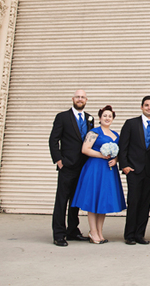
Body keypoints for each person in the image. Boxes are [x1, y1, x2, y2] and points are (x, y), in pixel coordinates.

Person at [72, 105, 127, 244]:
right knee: (93, 200)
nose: (107, 118)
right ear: (100, 117)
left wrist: (115, 159)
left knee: (103, 201)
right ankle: (93, 232)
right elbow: (85, 149)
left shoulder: (116, 135)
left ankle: (100, 232)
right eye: (105, 116)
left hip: (109, 171)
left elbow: (119, 153)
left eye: (110, 116)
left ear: (113, 118)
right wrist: (101, 155)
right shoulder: (93, 132)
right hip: (95, 169)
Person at [48, 89, 93, 246]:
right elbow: (53, 140)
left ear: (86, 100)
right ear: (73, 99)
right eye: (78, 97)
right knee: (62, 200)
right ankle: (59, 233)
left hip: (83, 166)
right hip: (67, 166)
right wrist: (58, 160)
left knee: (76, 201)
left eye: (83, 97)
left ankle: (73, 230)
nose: (80, 99)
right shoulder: (62, 117)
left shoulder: (89, 119)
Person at [118, 96, 150, 245]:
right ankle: (129, 235)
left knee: (146, 204)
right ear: (142, 107)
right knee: (134, 202)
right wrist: (124, 166)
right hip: (134, 170)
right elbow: (123, 146)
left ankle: (139, 235)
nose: (149, 107)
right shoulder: (131, 124)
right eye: (146, 105)